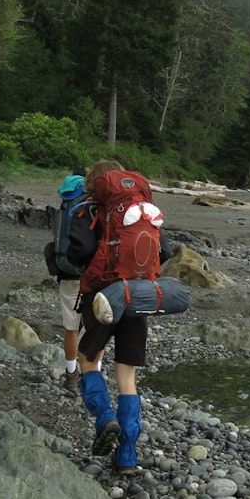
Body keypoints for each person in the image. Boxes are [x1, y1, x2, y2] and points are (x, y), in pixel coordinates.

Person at [67, 160, 173, 475]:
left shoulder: (90, 209)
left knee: (89, 360)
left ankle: (104, 417)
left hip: (102, 297)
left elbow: (77, 253)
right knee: (127, 378)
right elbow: (164, 253)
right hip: (138, 296)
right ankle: (126, 455)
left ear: (96, 184)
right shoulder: (142, 210)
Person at [54, 169, 88, 389]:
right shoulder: (90, 201)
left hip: (66, 270)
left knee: (71, 328)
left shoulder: (65, 203)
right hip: (91, 273)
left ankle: (71, 374)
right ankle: (91, 373)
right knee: (94, 328)